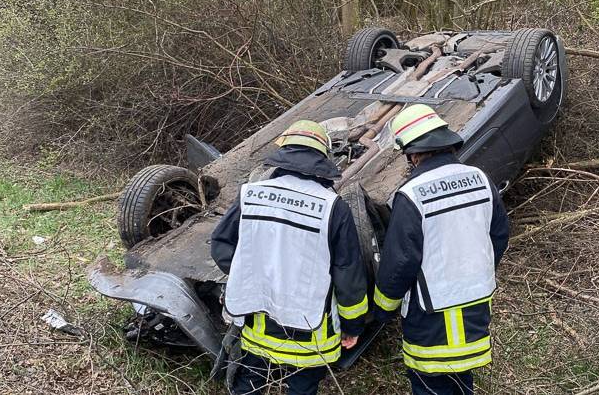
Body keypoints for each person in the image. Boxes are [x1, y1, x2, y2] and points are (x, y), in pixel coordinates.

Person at [211, 120, 368, 395]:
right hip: (310, 334)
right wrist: (353, 325)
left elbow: (222, 245)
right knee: (302, 387)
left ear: (283, 152)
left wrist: (251, 275)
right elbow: (348, 273)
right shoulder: (333, 207)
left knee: (250, 381)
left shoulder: (252, 195)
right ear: (323, 156)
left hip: (259, 327)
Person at [372, 104, 510, 395]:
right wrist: (476, 272)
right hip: (475, 307)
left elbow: (400, 261)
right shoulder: (481, 179)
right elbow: (498, 235)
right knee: (461, 381)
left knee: (432, 383)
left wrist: (381, 310)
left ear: (414, 152)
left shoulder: (412, 194)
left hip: (430, 317)